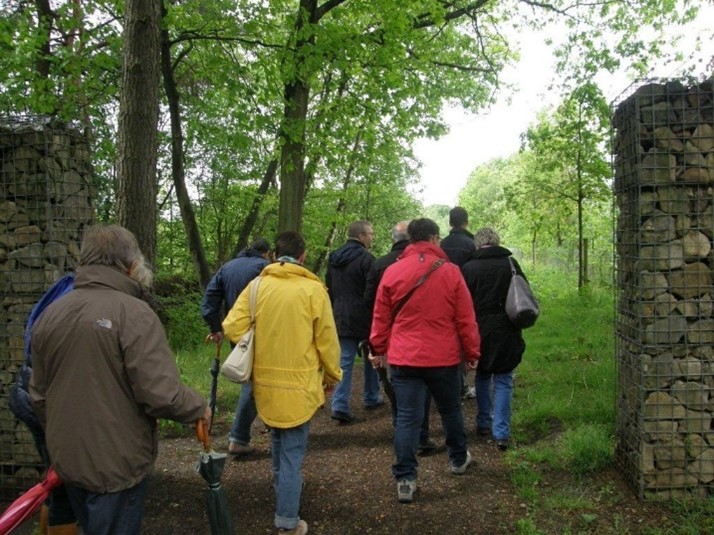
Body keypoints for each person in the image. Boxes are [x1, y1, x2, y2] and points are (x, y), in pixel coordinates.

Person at [30, 225, 209, 535]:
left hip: (69, 461)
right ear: (130, 265)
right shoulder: (134, 313)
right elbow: (161, 393)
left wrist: (67, 440)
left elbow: (39, 395)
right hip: (116, 465)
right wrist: (197, 407)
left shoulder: (51, 313)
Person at [222, 231, 342, 535]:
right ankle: (287, 520)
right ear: (302, 257)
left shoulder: (257, 286)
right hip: (300, 384)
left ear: (275, 255)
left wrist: (258, 345)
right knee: (291, 452)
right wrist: (332, 376)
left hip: (265, 382)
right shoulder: (314, 291)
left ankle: (283, 498)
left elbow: (232, 326)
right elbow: (327, 342)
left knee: (278, 442)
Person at [370, 218, 481, 504]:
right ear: (434, 239)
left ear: (409, 239)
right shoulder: (451, 273)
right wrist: (472, 353)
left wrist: (378, 349)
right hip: (443, 357)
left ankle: (406, 478)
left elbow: (381, 317)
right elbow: (465, 319)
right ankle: (458, 460)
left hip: (405, 357)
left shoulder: (393, 271)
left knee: (407, 418)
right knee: (450, 410)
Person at [364, 221, 436, 455]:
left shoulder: (380, 264)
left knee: (396, 388)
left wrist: (376, 342)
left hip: (392, 337)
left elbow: (370, 302)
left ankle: (401, 432)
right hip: (423, 337)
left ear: (394, 238)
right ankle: (422, 437)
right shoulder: (427, 265)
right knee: (422, 391)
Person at [201, 237, 271, 455]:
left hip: (236, 333)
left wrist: (216, 328)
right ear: (266, 253)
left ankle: (271, 424)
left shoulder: (227, 267)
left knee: (253, 379)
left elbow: (209, 301)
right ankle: (238, 438)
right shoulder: (265, 268)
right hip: (261, 333)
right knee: (255, 383)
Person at [462, 227, 527, 451]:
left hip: (478, 328)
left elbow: (462, 303)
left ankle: (482, 422)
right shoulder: (510, 264)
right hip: (506, 326)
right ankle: (502, 433)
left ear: (478, 244)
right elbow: (523, 292)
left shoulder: (468, 268)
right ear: (497, 241)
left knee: (482, 375)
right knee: (504, 378)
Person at [327, 220, 380, 423]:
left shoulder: (334, 257)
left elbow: (329, 285)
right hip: (364, 314)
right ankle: (371, 396)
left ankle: (339, 404)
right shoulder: (367, 259)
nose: (372, 237)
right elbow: (372, 289)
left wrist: (335, 306)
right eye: (370, 234)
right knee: (372, 357)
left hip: (341, 313)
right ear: (361, 236)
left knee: (345, 361)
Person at [439, 206, 477, 399]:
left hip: (443, 298)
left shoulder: (442, 244)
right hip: (466, 296)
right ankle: (461, 386)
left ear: (450, 222)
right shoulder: (471, 244)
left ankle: (448, 384)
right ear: (466, 222)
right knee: (464, 339)